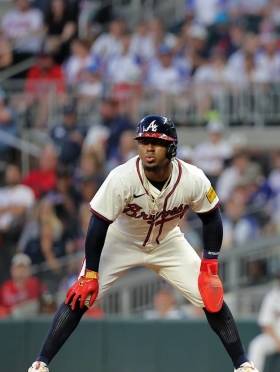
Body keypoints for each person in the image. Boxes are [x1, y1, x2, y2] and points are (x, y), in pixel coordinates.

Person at [26, 115, 258, 372]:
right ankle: (40, 363)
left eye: (156, 142)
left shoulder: (193, 177)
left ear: (171, 147)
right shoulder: (122, 177)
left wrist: (210, 264)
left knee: (210, 295)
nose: (148, 147)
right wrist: (91, 272)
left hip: (168, 242)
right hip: (122, 240)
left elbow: (212, 216)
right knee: (81, 294)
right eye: (144, 141)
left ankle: (242, 364)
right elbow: (98, 222)